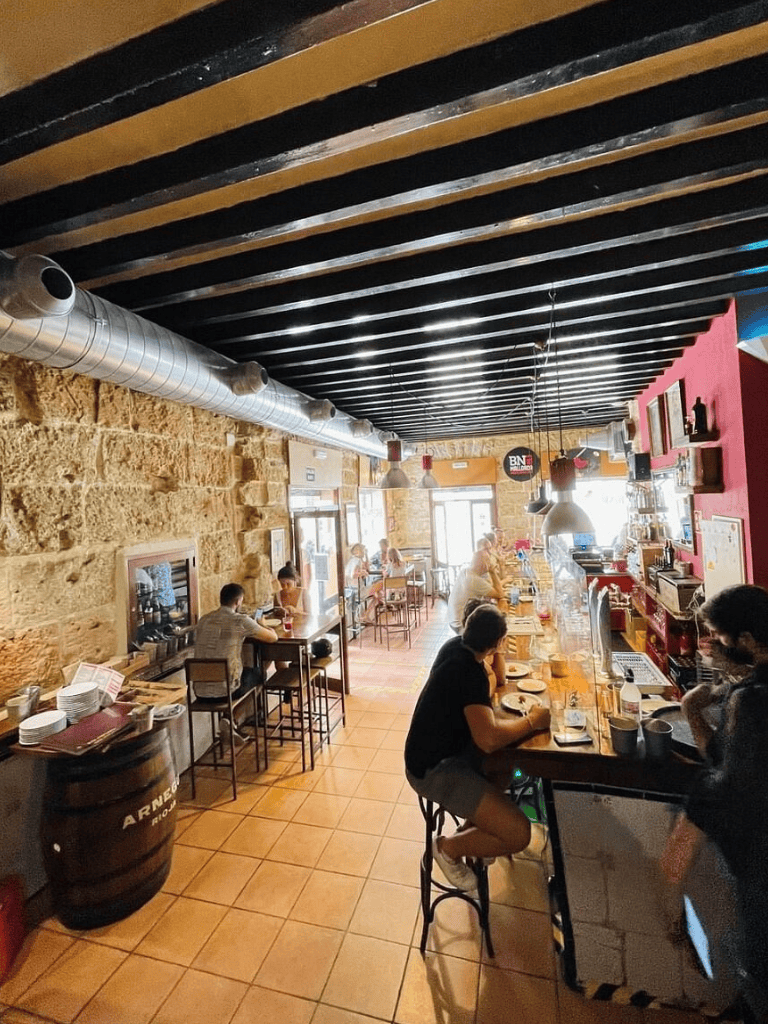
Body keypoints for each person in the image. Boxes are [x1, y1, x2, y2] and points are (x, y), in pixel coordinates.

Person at [660, 585, 768, 1008]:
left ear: (745, 640)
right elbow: (728, 761)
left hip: (759, 859)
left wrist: (676, 857)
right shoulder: (748, 691)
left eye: (719, 638)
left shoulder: (751, 702)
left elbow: (725, 782)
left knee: (758, 965)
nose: (713, 649)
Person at [404, 605, 550, 890]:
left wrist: (496, 651)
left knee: (506, 769)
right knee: (519, 834)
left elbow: (497, 681)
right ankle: (447, 848)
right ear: (497, 641)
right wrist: (533, 721)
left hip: (440, 754)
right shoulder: (467, 672)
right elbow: (489, 738)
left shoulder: (456, 648)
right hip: (434, 769)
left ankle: (474, 837)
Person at [193, 583, 278, 741]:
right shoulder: (240, 621)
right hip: (225, 692)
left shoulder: (203, 620)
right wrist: (264, 625)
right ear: (238, 601)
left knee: (242, 671)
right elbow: (272, 638)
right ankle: (233, 719)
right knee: (259, 675)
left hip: (199, 692)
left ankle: (229, 722)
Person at [447, 549, 505, 632]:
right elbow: (500, 594)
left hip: (453, 618)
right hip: (460, 624)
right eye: (488, 560)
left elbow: (491, 586)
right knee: (498, 626)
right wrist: (492, 572)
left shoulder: (466, 571)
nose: (491, 563)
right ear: (482, 564)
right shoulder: (474, 580)